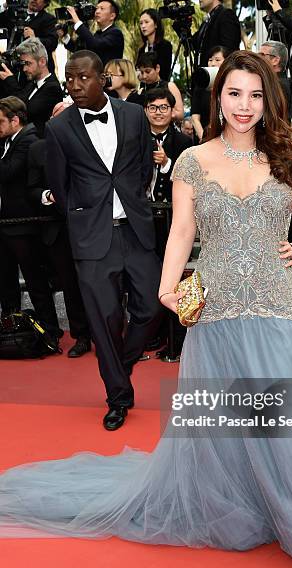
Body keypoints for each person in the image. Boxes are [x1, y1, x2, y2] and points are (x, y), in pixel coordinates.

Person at [0, 52, 292, 568]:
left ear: (269, 100)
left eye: (256, 95)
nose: (245, 105)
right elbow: (183, 230)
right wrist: (168, 287)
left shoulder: (287, 154)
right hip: (214, 309)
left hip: (276, 305)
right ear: (219, 98)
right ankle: (245, 506)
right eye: (235, 93)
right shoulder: (193, 160)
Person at [45, 50, 162, 430]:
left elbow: (144, 166)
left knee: (150, 308)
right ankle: (118, 395)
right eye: (69, 78)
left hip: (135, 228)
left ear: (104, 79)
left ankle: (119, 363)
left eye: (83, 78)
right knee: (105, 319)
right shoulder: (58, 129)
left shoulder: (133, 114)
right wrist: (85, 216)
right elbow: (60, 188)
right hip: (92, 238)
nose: (75, 85)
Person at [0, 96, 61, 340]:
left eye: (1, 121)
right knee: (6, 282)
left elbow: (8, 172)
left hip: (24, 224)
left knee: (35, 281)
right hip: (6, 224)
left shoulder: (29, 140)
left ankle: (50, 328)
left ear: (15, 120)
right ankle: (10, 327)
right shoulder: (7, 141)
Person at [27, 131, 92, 358]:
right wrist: (49, 195)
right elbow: (32, 188)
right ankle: (82, 337)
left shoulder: (91, 141)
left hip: (94, 225)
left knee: (100, 282)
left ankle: (108, 335)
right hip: (58, 228)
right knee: (70, 286)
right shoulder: (38, 150)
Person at [0, 37, 63, 137]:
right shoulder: (31, 84)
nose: (24, 69)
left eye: (28, 64)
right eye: (23, 64)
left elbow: (25, 110)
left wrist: (10, 81)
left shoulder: (52, 87)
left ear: (42, 62)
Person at [144, 88, 192, 203]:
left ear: (172, 111)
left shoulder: (184, 142)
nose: (158, 112)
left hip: (171, 209)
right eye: (152, 108)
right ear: (145, 111)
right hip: (140, 209)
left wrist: (166, 163)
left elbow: (187, 181)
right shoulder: (135, 139)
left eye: (164, 108)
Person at [58, 0, 124, 67]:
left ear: (112, 16)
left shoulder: (116, 33)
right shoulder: (98, 33)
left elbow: (95, 45)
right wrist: (64, 36)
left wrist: (77, 21)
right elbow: (81, 51)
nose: (97, 11)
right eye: (97, 8)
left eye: (102, 9)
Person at [0, 0, 58, 72]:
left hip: (35, 69)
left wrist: (35, 39)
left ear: (45, 3)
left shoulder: (49, 19)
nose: (34, 0)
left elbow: (53, 43)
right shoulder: (12, 13)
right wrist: (5, 5)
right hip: (12, 67)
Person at [191, 45, 229, 142]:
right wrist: (203, 137)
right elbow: (195, 117)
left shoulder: (231, 85)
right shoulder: (200, 86)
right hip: (203, 139)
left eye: (217, 60)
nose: (212, 64)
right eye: (210, 60)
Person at [135, 51, 184, 121]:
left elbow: (180, 114)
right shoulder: (141, 90)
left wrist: (159, 113)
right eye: (142, 72)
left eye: (148, 71)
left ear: (157, 68)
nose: (144, 76)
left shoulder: (169, 86)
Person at [193, 0, 241, 69]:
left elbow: (230, 52)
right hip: (204, 76)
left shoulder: (226, 15)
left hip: (219, 76)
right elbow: (192, 45)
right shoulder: (206, 22)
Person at [137, 8, 172, 82]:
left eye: (146, 22)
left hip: (160, 89)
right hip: (144, 90)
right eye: (141, 23)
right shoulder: (142, 50)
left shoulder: (165, 46)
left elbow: (165, 73)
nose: (143, 26)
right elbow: (138, 72)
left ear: (156, 24)